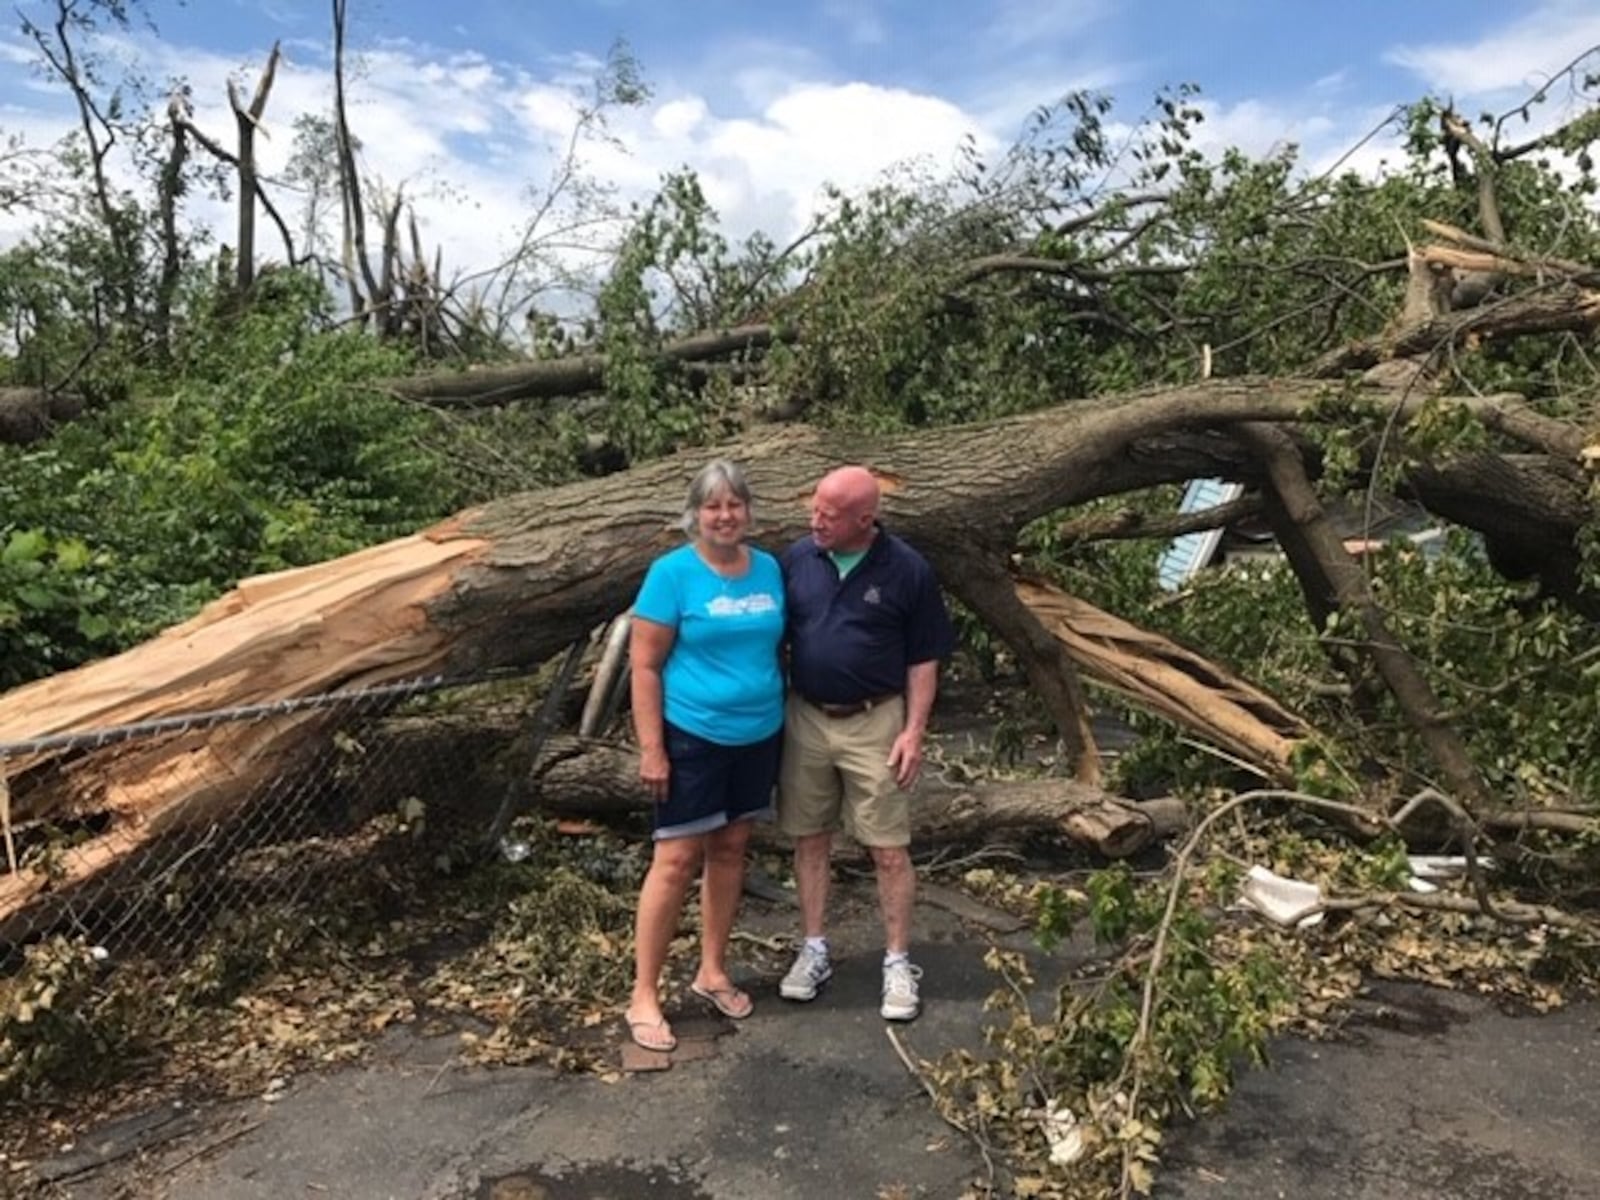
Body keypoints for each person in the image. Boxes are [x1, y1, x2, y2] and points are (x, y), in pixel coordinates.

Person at [776, 465, 956, 1021]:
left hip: (877, 719)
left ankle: (897, 961)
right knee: (809, 837)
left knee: (887, 848)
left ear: (865, 519)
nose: (816, 523)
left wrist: (914, 730)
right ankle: (814, 949)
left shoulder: (907, 569)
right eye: (814, 511)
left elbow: (924, 655)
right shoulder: (796, 559)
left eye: (829, 517)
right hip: (806, 715)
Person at [624, 459, 786, 1052]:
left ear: (748, 511)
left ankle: (712, 970)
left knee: (731, 848)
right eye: (713, 506)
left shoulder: (767, 568)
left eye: (735, 505)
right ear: (695, 513)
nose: (725, 516)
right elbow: (644, 666)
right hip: (692, 735)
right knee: (674, 859)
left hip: (759, 733)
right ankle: (644, 993)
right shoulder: (671, 575)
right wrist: (652, 750)